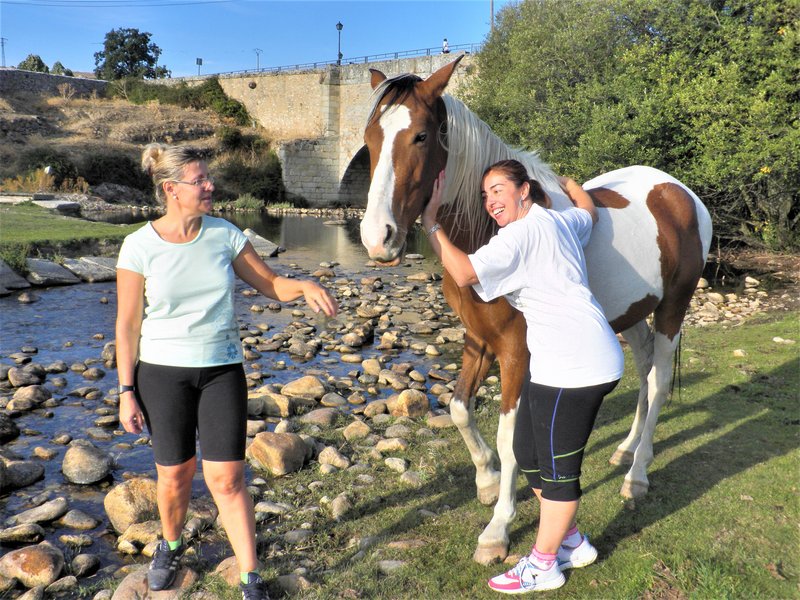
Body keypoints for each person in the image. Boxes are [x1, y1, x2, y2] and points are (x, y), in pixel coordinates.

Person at [115, 143, 337, 599]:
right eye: (200, 181)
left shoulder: (225, 234)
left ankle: (250, 576)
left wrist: (305, 284)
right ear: (171, 189)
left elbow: (271, 284)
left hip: (221, 371)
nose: (210, 186)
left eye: (207, 178)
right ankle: (171, 545)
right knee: (175, 475)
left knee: (227, 478)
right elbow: (127, 324)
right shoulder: (138, 245)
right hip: (161, 374)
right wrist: (125, 390)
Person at [422, 160, 623, 594]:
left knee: (559, 473)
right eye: (484, 194)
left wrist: (432, 224)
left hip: (580, 363)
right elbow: (588, 212)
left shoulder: (521, 233)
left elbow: (464, 273)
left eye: (499, 190)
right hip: (552, 362)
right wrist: (573, 185)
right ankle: (571, 542)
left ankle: (544, 564)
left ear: (525, 191)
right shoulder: (560, 220)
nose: (491, 201)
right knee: (526, 451)